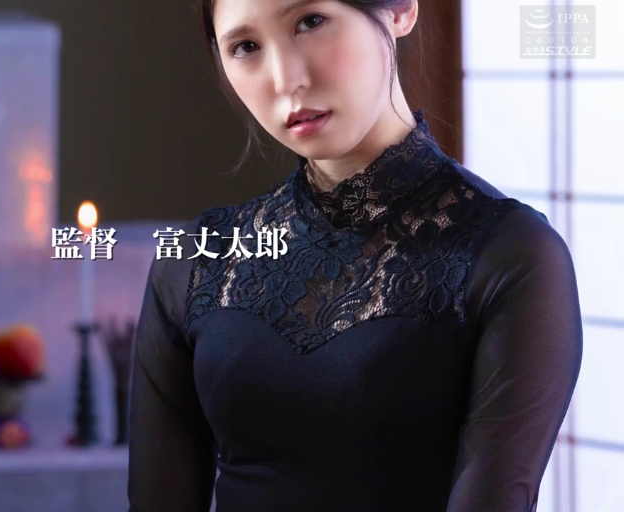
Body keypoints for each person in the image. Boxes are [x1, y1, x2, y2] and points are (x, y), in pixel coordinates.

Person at [127, 0, 583, 511]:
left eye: (310, 21)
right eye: (246, 46)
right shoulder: (196, 262)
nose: (285, 79)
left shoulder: (511, 256)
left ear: (400, 10)